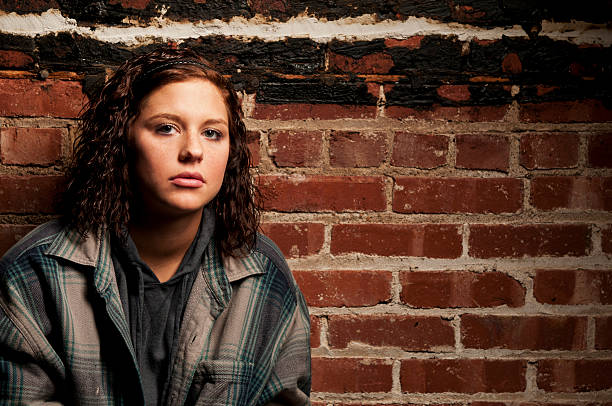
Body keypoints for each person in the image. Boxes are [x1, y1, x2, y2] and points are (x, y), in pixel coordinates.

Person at [0, 47, 311, 405]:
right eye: (167, 128)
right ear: (123, 140)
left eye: (212, 133)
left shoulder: (263, 274)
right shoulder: (35, 274)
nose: (193, 150)